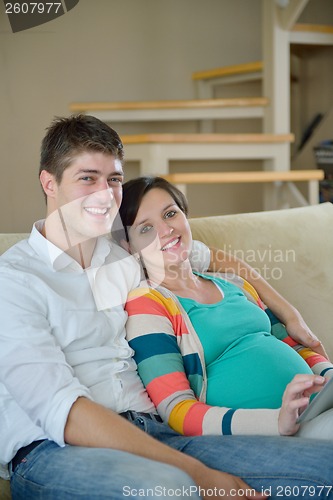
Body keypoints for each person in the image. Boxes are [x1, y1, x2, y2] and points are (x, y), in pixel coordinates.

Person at [1, 115, 333, 500]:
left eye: (114, 179)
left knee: (324, 469)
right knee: (174, 489)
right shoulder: (15, 280)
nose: (105, 195)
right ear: (49, 183)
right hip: (56, 450)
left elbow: (213, 258)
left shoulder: (124, 254)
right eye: (87, 178)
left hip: (158, 433)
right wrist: (200, 475)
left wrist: (288, 313)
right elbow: (65, 413)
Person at [119, 176, 333, 439]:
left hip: (317, 411)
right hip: (264, 434)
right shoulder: (147, 304)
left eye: (170, 214)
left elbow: (294, 345)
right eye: (145, 228)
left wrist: (328, 375)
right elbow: (176, 411)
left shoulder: (233, 283)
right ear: (129, 248)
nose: (165, 230)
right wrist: (275, 421)